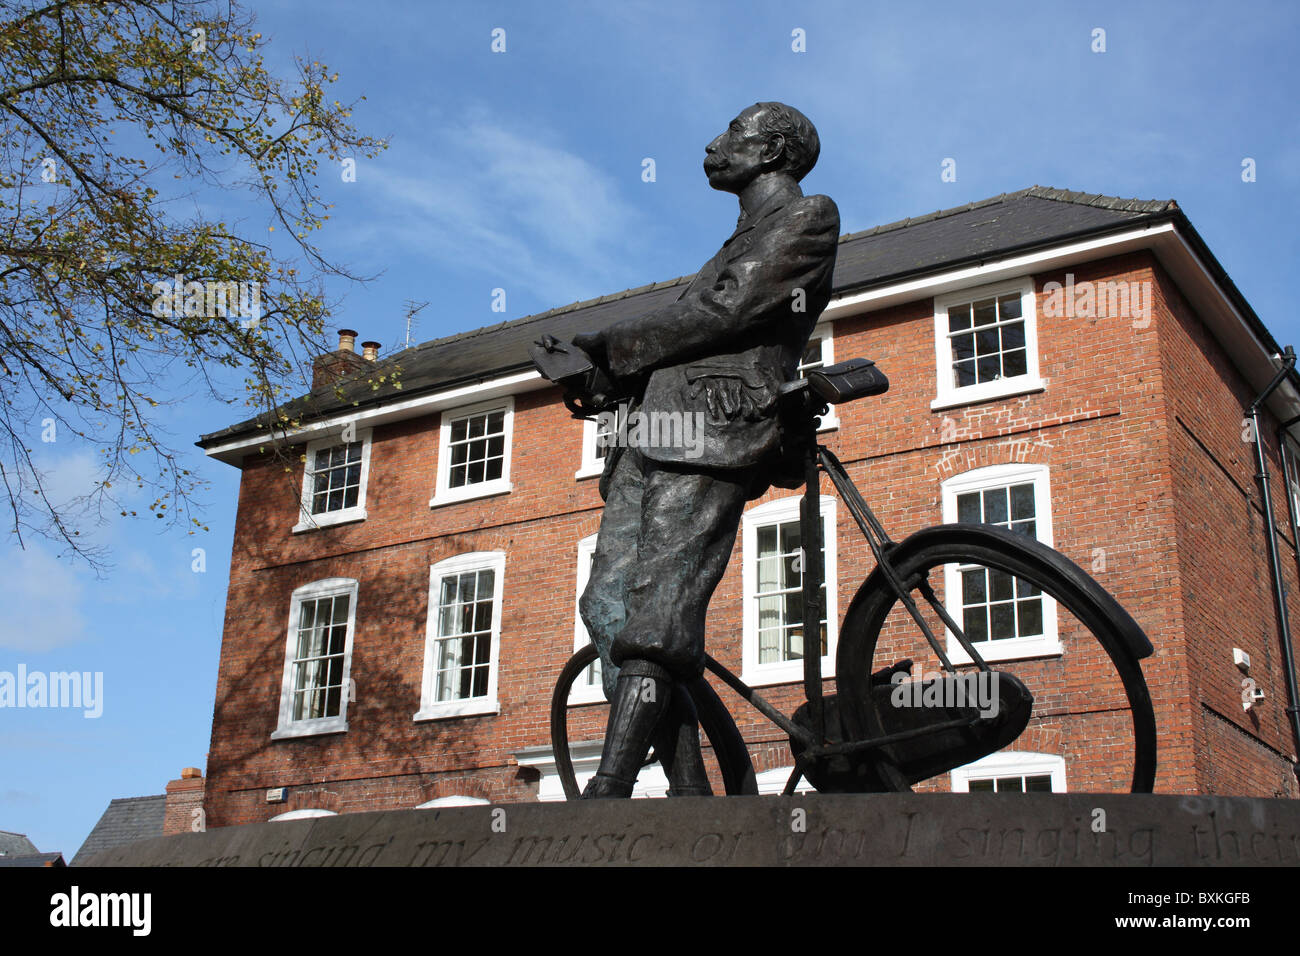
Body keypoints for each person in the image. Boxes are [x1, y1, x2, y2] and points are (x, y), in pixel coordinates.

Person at [572, 102, 840, 798]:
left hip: (713, 428)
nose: (714, 145)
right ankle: (691, 787)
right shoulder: (731, 242)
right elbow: (691, 328)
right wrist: (602, 379)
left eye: (733, 134)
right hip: (653, 433)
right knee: (605, 606)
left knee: (659, 607)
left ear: (772, 150)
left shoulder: (808, 218)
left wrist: (613, 343)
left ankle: (612, 783)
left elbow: (730, 309)